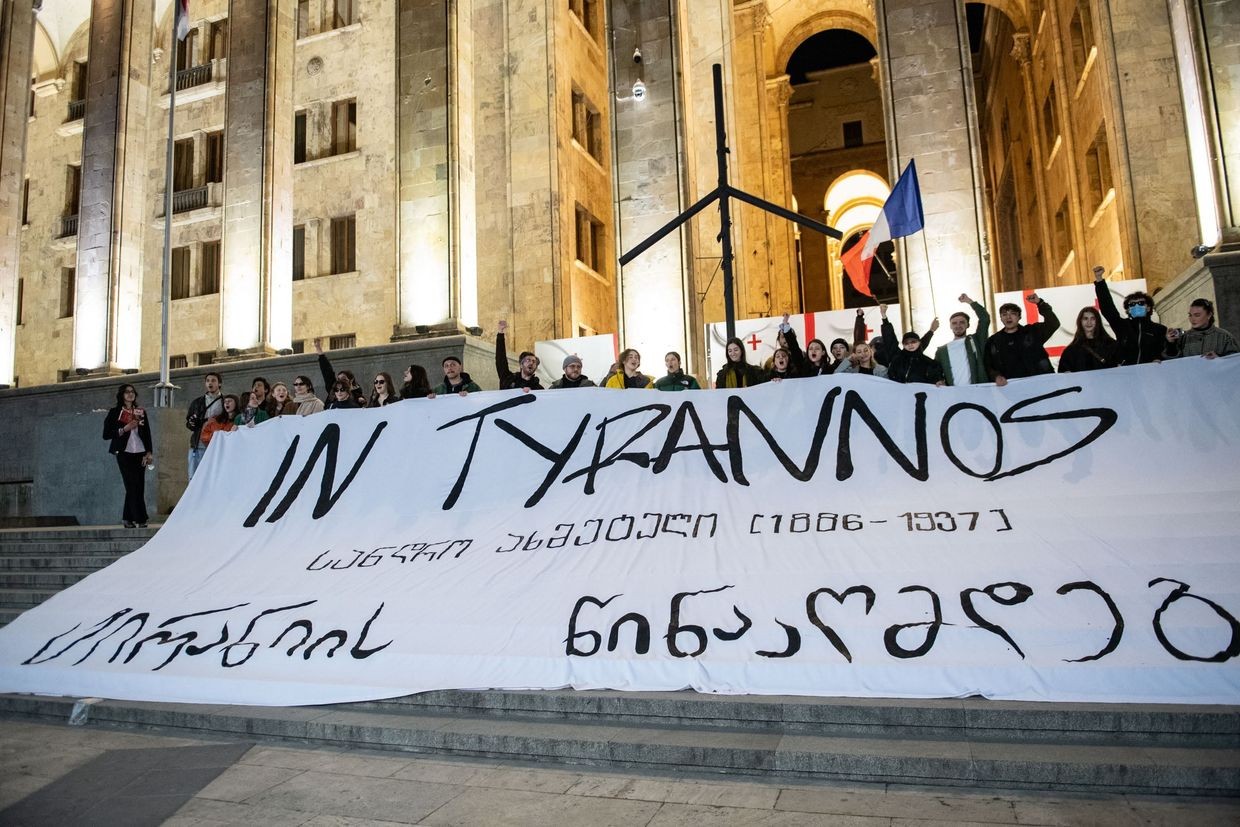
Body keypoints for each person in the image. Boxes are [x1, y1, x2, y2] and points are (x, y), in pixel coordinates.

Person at [102, 383, 153, 529]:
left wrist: (149, 452)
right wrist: (124, 429)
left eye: (132, 392)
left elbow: (147, 433)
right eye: (127, 392)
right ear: (122, 395)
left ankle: (127, 518)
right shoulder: (115, 412)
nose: (130, 394)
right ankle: (141, 518)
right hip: (124, 452)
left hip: (140, 451)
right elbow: (106, 434)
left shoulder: (140, 411)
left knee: (139, 486)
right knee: (131, 485)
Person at [1093, 265, 1167, 365]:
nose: (1136, 306)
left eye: (1141, 303)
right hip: (1128, 373)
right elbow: (1108, 309)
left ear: (1148, 308)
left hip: (1151, 373)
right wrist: (1099, 281)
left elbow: (1167, 353)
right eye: (1132, 304)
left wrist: (1159, 358)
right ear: (1128, 310)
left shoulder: (1160, 330)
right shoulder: (1122, 326)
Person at [985, 293, 1059, 385]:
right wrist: (996, 376)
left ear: (1019, 317)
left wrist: (1040, 303)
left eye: (1013, 314)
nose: (1008, 317)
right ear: (1001, 318)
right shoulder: (994, 341)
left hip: (1040, 383)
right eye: (1004, 314)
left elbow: (1053, 323)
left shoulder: (1032, 332)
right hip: (1011, 387)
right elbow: (989, 365)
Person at [876, 305, 943, 385]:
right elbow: (889, 338)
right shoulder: (897, 357)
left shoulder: (928, 363)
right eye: (906, 343)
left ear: (919, 343)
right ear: (903, 345)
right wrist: (884, 317)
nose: (910, 345)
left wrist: (931, 330)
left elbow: (936, 379)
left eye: (913, 342)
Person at [934, 294, 991, 386]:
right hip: (954, 393)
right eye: (954, 323)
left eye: (962, 322)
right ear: (950, 326)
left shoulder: (976, 340)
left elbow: (985, 318)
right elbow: (936, 371)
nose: (958, 325)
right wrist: (939, 380)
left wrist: (969, 301)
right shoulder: (941, 351)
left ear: (968, 325)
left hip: (978, 391)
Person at [1165, 298, 1239, 359]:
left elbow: (1235, 362)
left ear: (1209, 315)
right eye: (1190, 315)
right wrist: (1171, 344)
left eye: (1197, 315)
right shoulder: (1183, 337)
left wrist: (1218, 359)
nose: (1192, 319)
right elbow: (1172, 363)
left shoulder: (1224, 337)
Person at [185, 371, 223, 481]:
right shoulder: (197, 402)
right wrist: (194, 422)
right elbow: (189, 424)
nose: (210, 383)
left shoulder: (225, 401)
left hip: (217, 443)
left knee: (214, 477)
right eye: (208, 381)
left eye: (213, 380)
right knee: (194, 477)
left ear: (219, 384)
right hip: (199, 443)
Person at [1059, 307, 1119, 373]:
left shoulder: (1110, 345)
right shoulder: (1071, 350)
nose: (1089, 322)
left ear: (1097, 321)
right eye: (1085, 318)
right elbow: (1063, 373)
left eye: (1092, 319)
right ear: (1080, 321)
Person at [314, 337, 367, 407]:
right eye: (338, 379)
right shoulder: (332, 390)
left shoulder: (357, 395)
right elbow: (327, 372)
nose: (339, 392)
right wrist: (319, 351)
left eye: (344, 379)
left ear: (351, 380)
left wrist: (360, 400)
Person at [494, 320, 544, 390]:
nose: (531, 363)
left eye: (534, 362)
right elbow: (500, 360)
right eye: (528, 360)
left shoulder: (539, 389)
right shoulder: (508, 379)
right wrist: (500, 333)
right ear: (521, 364)